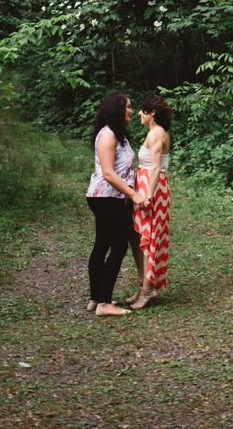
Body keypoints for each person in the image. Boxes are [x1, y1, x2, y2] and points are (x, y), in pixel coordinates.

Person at [85, 92, 144, 318]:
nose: (130, 110)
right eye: (128, 107)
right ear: (117, 109)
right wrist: (134, 194)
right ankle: (105, 303)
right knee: (118, 246)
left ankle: (95, 298)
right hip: (106, 197)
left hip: (109, 197)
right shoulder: (108, 135)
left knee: (102, 243)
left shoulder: (118, 134)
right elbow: (109, 173)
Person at [128, 93, 172, 310]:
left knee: (149, 239)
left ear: (152, 112)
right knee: (144, 238)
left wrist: (147, 196)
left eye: (142, 110)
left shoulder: (157, 134)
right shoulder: (154, 132)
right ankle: (144, 285)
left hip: (152, 189)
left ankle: (148, 289)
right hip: (148, 186)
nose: (138, 113)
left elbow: (155, 167)